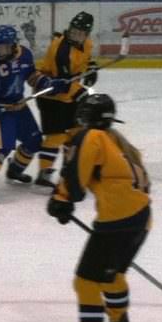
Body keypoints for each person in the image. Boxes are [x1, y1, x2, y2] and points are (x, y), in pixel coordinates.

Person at [46, 93, 152, 322]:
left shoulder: (90, 136)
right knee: (112, 275)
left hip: (118, 221)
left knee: (86, 281)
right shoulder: (121, 142)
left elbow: (76, 177)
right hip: (141, 219)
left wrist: (62, 200)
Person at [0, 25, 69, 202]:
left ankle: (14, 170)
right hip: (1, 112)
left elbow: (31, 75)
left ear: (13, 45)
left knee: (34, 141)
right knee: (2, 148)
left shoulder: (25, 54)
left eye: (3, 46)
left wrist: (48, 83)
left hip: (19, 107)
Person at [34, 12, 100, 189]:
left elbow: (86, 61)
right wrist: (81, 93)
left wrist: (91, 69)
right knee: (57, 136)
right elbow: (64, 83)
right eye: (74, 31)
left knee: (76, 132)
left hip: (68, 93)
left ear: (87, 34)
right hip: (50, 94)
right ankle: (43, 175)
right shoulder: (61, 51)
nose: (76, 35)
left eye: (80, 33)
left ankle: (69, 171)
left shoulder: (87, 43)